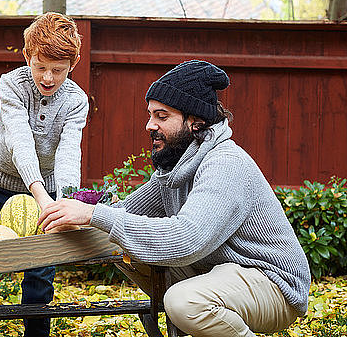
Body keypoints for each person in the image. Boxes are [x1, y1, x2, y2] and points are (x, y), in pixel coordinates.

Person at [38, 60, 311, 337]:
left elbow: (187, 239)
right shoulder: (176, 167)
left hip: (273, 283)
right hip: (220, 273)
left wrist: (94, 214)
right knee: (122, 242)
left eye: (162, 116)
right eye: (150, 115)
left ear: (195, 122)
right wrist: (73, 218)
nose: (149, 125)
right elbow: (123, 213)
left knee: (184, 302)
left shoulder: (225, 163)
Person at [0, 12, 89, 337]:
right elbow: (20, 142)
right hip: (0, 185)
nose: (48, 77)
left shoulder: (76, 101)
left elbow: (69, 154)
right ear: (27, 56)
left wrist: (65, 203)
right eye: (40, 66)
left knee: (41, 268)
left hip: (50, 190)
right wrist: (40, 195)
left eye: (58, 70)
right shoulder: (11, 85)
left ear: (72, 65)